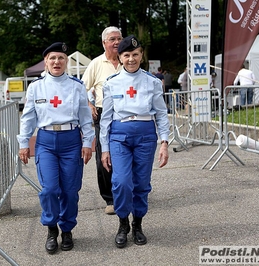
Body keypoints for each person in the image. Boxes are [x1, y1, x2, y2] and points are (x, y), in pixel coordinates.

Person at [17, 42, 94, 254]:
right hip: (46, 141)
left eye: (60, 58)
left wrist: (87, 142)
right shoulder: (36, 87)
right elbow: (28, 118)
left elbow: (85, 118)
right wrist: (24, 144)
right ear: (46, 62)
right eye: (52, 58)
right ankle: (52, 229)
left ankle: (67, 230)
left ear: (66, 61)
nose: (56, 62)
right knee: (50, 189)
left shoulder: (77, 86)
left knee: (70, 191)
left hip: (71, 141)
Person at [99, 35, 170, 248]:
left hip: (146, 135)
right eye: (126, 55)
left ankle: (137, 223)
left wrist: (164, 142)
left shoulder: (152, 82)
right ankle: (123, 223)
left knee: (141, 183)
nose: (131, 59)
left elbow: (161, 114)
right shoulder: (111, 83)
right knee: (121, 181)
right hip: (119, 136)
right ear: (119, 57)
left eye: (135, 54)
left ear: (141, 56)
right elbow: (106, 118)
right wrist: (104, 148)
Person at [81, 26, 123, 215]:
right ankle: (110, 198)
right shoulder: (96, 64)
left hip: (125, 115)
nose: (117, 42)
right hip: (102, 114)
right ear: (104, 43)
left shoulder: (128, 60)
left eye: (119, 38)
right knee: (104, 157)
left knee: (126, 154)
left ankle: (128, 192)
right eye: (112, 39)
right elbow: (81, 88)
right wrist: (89, 104)